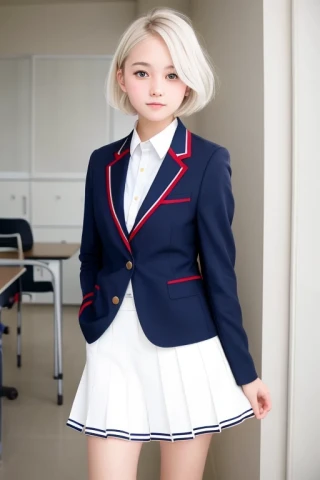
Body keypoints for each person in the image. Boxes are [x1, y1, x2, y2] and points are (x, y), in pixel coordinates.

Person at [66, 7, 271, 480]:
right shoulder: (102, 163)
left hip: (185, 348)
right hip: (113, 344)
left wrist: (245, 372)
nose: (157, 87)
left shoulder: (207, 162)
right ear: (122, 78)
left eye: (172, 74)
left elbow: (220, 272)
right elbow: (92, 253)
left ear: (188, 83)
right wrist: (91, 312)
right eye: (143, 72)